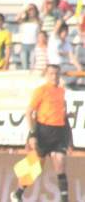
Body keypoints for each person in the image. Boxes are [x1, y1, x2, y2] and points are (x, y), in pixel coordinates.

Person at [10, 64, 73, 202]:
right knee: (35, 166)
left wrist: (70, 139)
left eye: (56, 74)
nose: (54, 76)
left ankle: (65, 199)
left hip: (58, 133)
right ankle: (18, 193)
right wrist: (32, 135)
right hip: (43, 132)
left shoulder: (62, 91)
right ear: (46, 75)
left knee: (60, 162)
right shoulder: (41, 90)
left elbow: (63, 116)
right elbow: (29, 112)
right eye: (51, 74)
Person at [16, 4, 41, 70]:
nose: (31, 11)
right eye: (30, 10)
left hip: (34, 44)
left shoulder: (38, 21)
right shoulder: (24, 21)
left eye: (33, 10)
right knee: (25, 66)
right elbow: (17, 19)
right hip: (24, 44)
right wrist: (25, 9)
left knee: (33, 65)